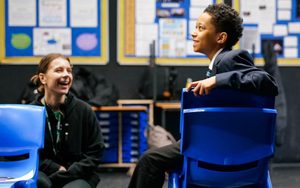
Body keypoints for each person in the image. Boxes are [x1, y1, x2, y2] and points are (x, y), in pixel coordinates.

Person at [128, 3, 278, 188]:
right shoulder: (219, 63)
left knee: (148, 160)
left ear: (221, 37)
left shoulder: (230, 58)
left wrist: (216, 80)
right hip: (224, 145)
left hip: (217, 147)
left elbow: (267, 81)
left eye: (201, 28)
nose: (194, 33)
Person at [30, 53, 105, 188]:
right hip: (43, 172)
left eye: (69, 71)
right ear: (43, 78)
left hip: (78, 174)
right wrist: (54, 168)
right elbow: (24, 153)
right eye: (59, 70)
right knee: (40, 184)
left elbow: (95, 153)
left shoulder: (84, 110)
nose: (66, 75)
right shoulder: (29, 113)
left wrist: (70, 172)